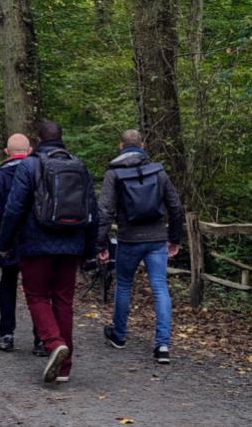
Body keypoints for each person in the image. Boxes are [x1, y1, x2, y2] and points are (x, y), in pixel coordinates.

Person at [0, 121, 99, 383]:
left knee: (38, 296)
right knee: (64, 301)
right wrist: (90, 248)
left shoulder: (31, 165)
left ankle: (54, 345)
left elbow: (14, 208)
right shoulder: (79, 165)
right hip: (73, 244)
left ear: (38, 140)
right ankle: (65, 368)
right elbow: (93, 210)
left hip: (36, 243)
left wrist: (4, 243)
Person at [97, 129, 185, 364]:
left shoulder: (113, 175)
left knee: (124, 285)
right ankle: (163, 344)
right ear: (143, 145)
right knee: (160, 287)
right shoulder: (159, 172)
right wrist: (174, 239)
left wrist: (100, 244)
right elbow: (175, 207)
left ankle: (119, 335)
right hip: (157, 238)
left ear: (120, 147)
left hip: (128, 238)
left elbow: (104, 211)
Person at [0, 133, 45, 356]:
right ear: (30, 150)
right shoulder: (41, 172)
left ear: (7, 152)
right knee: (38, 290)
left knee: (7, 284)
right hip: (37, 240)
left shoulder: (1, 176)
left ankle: (7, 334)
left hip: (9, 240)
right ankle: (41, 338)